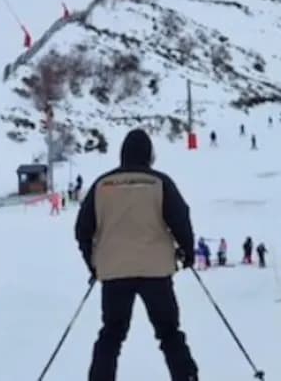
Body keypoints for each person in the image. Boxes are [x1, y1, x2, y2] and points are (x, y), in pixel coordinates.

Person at [75, 128, 199, 381]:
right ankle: (186, 377)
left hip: (114, 270)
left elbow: (82, 230)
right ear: (149, 155)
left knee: (112, 333)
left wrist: (93, 262)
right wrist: (187, 251)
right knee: (169, 332)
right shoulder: (159, 182)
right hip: (156, 269)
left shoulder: (102, 184)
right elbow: (180, 217)